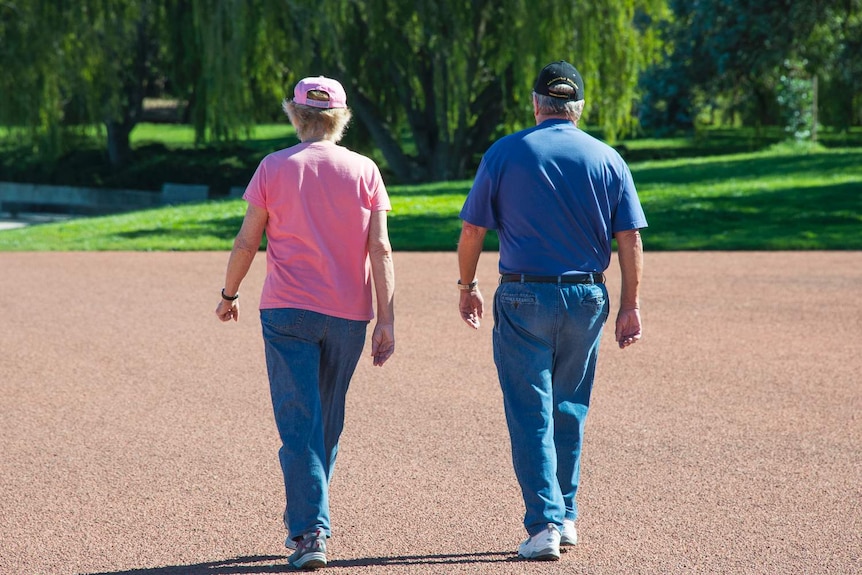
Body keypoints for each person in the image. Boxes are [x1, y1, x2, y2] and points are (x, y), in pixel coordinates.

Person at [456, 60, 647, 561]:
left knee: (530, 413)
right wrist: (630, 305)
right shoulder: (608, 159)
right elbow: (628, 238)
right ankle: (566, 516)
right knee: (569, 408)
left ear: (537, 104)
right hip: (587, 296)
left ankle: (544, 524)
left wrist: (467, 285)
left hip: (523, 295)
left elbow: (473, 231)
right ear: (578, 108)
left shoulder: (504, 153)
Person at [215, 75, 395, 571]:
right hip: (348, 314)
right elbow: (379, 248)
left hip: (287, 310)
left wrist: (229, 293)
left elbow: (247, 241)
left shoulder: (273, 167)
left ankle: (311, 529)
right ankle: (310, 517)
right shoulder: (365, 170)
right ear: (341, 118)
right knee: (326, 421)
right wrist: (388, 319)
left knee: (300, 421)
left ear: (294, 114)